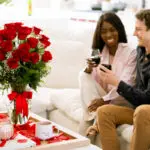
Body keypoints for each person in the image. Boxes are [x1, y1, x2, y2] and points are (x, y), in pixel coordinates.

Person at [88, 9, 150, 150]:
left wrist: (116, 82)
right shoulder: (140, 52)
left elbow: (147, 99)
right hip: (137, 107)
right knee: (104, 111)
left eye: (138, 29)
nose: (134, 33)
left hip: (145, 109)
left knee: (142, 110)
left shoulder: (132, 52)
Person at [78, 12, 137, 136]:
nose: (108, 34)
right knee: (83, 75)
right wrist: (89, 69)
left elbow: (126, 84)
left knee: (86, 121)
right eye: (104, 31)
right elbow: (92, 85)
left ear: (119, 30)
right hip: (104, 99)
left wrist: (104, 100)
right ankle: (95, 117)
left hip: (122, 99)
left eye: (112, 30)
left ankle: (95, 121)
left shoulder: (131, 52)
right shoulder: (99, 53)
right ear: (100, 34)